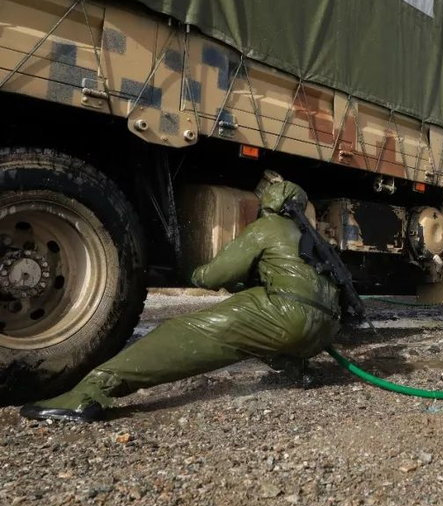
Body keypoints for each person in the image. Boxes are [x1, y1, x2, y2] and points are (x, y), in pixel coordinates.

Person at [20, 175, 341, 422]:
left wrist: (194, 275)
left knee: (181, 331)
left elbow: (217, 275)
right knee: (251, 328)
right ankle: (300, 370)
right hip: (322, 332)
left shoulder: (268, 226)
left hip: (287, 317)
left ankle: (90, 394)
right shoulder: (308, 236)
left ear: (272, 200)